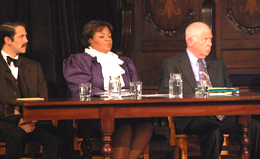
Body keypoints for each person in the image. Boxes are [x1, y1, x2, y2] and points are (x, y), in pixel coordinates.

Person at [158, 21, 260, 159]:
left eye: (210, 39)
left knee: (254, 126)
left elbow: (229, 92)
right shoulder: (172, 63)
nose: (210, 44)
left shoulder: (217, 64)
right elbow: (164, 92)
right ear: (190, 41)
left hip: (222, 115)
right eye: (205, 39)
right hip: (193, 117)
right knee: (213, 131)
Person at [63, 20, 153, 159]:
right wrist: (109, 96)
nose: (107, 39)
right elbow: (81, 89)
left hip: (125, 111)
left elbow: (136, 87)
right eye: (101, 36)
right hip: (96, 114)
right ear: (90, 41)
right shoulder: (80, 61)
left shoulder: (124, 62)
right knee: (125, 128)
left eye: (109, 36)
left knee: (146, 125)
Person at [0, 22, 62, 159]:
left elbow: (43, 98)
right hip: (2, 123)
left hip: (33, 122)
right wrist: (19, 120)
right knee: (17, 135)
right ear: (7, 40)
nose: (26, 40)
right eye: (21, 36)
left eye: (26, 36)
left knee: (55, 138)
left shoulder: (34, 67)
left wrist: (30, 119)